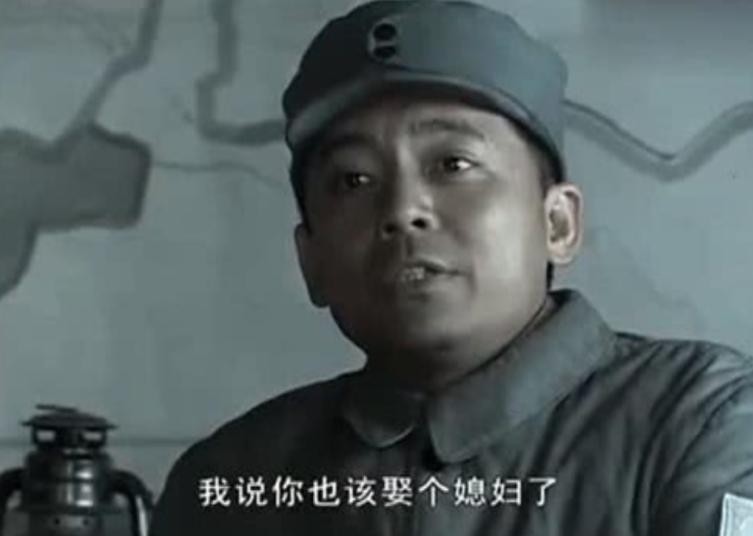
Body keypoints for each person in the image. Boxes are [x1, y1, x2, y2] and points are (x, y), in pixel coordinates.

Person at [149, 1, 753, 534]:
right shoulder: (231, 478)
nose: (402, 210)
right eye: (353, 180)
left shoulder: (701, 423)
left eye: (453, 164)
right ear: (311, 261)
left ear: (557, 224)